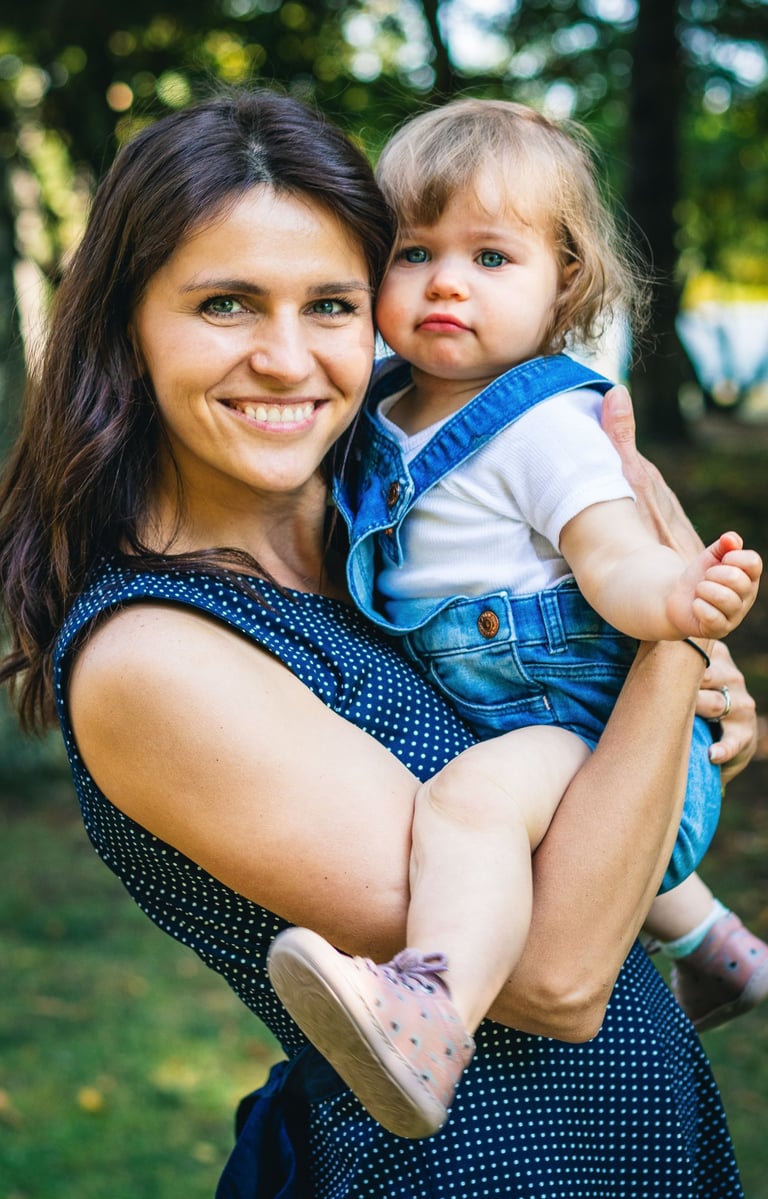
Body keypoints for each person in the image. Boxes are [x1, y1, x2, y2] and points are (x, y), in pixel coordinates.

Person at [0, 88, 756, 1197]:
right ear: (126, 324)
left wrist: (682, 670)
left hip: (637, 1137)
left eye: (333, 304)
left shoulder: (387, 538)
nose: (287, 356)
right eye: (225, 304)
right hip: (474, 1173)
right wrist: (672, 649)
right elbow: (555, 973)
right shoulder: (154, 652)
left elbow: (570, 690)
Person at [268, 97, 767, 1140]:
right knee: (501, 794)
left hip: (598, 744)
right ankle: (715, 947)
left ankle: (428, 1014)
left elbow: (613, 550)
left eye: (492, 256)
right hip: (531, 721)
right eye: (414, 250)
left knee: (469, 807)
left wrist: (677, 600)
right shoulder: (382, 408)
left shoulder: (548, 426)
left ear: (564, 283)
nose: (446, 280)